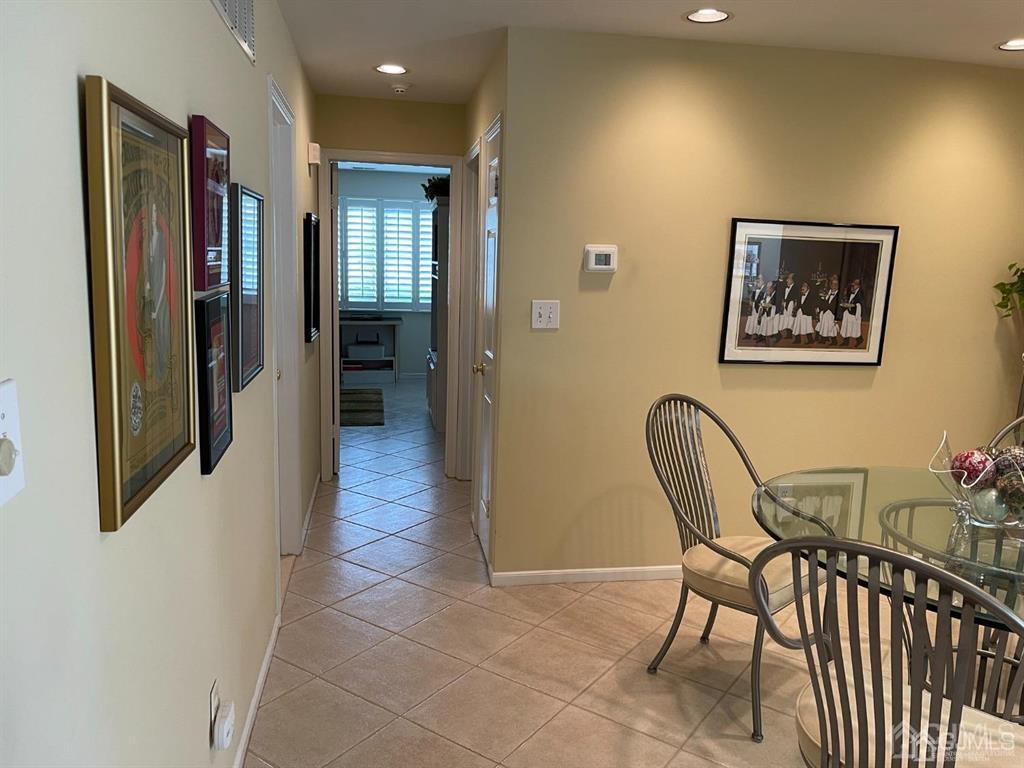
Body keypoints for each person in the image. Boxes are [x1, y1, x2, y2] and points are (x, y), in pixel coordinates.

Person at [839, 278, 865, 347]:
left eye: (856, 283)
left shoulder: (860, 293)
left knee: (855, 328)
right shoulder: (851, 289)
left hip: (855, 313)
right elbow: (847, 297)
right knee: (846, 326)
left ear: (859, 285)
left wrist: (853, 305)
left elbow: (861, 304)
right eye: (854, 283)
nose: (854, 285)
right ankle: (845, 342)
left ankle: (859, 340)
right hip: (848, 312)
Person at [816, 276, 840, 345]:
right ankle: (823, 339)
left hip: (832, 313)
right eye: (833, 284)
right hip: (825, 312)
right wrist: (820, 308)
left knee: (832, 327)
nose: (834, 286)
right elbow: (823, 301)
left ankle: (834, 341)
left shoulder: (839, 295)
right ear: (830, 285)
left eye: (836, 284)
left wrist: (836, 318)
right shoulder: (828, 292)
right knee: (824, 326)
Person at [743, 275, 766, 342]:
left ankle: (757, 335)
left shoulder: (765, 289)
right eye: (757, 279)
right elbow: (752, 297)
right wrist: (751, 302)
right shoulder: (755, 288)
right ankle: (748, 335)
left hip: (759, 308)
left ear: (763, 280)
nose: (757, 280)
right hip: (753, 307)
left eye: (759, 279)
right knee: (750, 321)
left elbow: (764, 299)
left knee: (757, 321)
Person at [792, 280, 816, 344]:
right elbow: (798, 303)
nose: (803, 287)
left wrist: (808, 311)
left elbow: (812, 305)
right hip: (799, 312)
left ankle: (810, 340)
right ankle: (797, 339)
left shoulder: (811, 295)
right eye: (802, 286)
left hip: (806, 313)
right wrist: (796, 310)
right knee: (797, 326)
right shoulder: (800, 294)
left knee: (807, 327)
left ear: (808, 288)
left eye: (805, 286)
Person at [776, 272, 798, 340]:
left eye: (789, 278)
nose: (787, 280)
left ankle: (789, 334)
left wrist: (793, 306)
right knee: (782, 319)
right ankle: (779, 334)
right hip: (784, 305)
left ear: (793, 280)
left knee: (790, 320)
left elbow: (796, 298)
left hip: (790, 305)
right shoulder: (784, 287)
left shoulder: (796, 288)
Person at [759, 280, 779, 344]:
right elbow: (764, 300)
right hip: (767, 311)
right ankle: (763, 337)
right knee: (765, 324)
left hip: (774, 313)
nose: (767, 288)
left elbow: (776, 304)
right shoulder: (767, 293)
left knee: (774, 327)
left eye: (769, 287)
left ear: (773, 287)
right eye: (767, 287)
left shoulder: (776, 294)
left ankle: (777, 337)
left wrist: (768, 305)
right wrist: (763, 303)